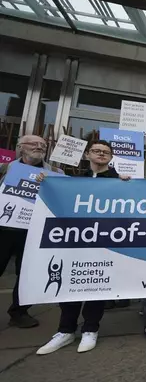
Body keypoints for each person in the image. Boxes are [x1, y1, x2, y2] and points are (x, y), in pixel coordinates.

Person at [36, 140, 130, 355]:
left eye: (106, 152)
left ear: (111, 157)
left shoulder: (118, 180)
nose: (101, 154)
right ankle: (65, 331)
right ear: (87, 154)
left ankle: (90, 329)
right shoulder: (73, 181)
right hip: (75, 240)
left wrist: (127, 183)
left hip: (105, 241)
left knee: (96, 283)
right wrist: (45, 182)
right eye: (97, 151)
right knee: (69, 283)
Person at [0, 135, 63, 329]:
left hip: (34, 232)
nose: (39, 147)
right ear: (20, 147)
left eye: (43, 145)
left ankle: (19, 312)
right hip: (5, 230)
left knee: (27, 273)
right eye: (33, 144)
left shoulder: (55, 172)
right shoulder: (6, 168)